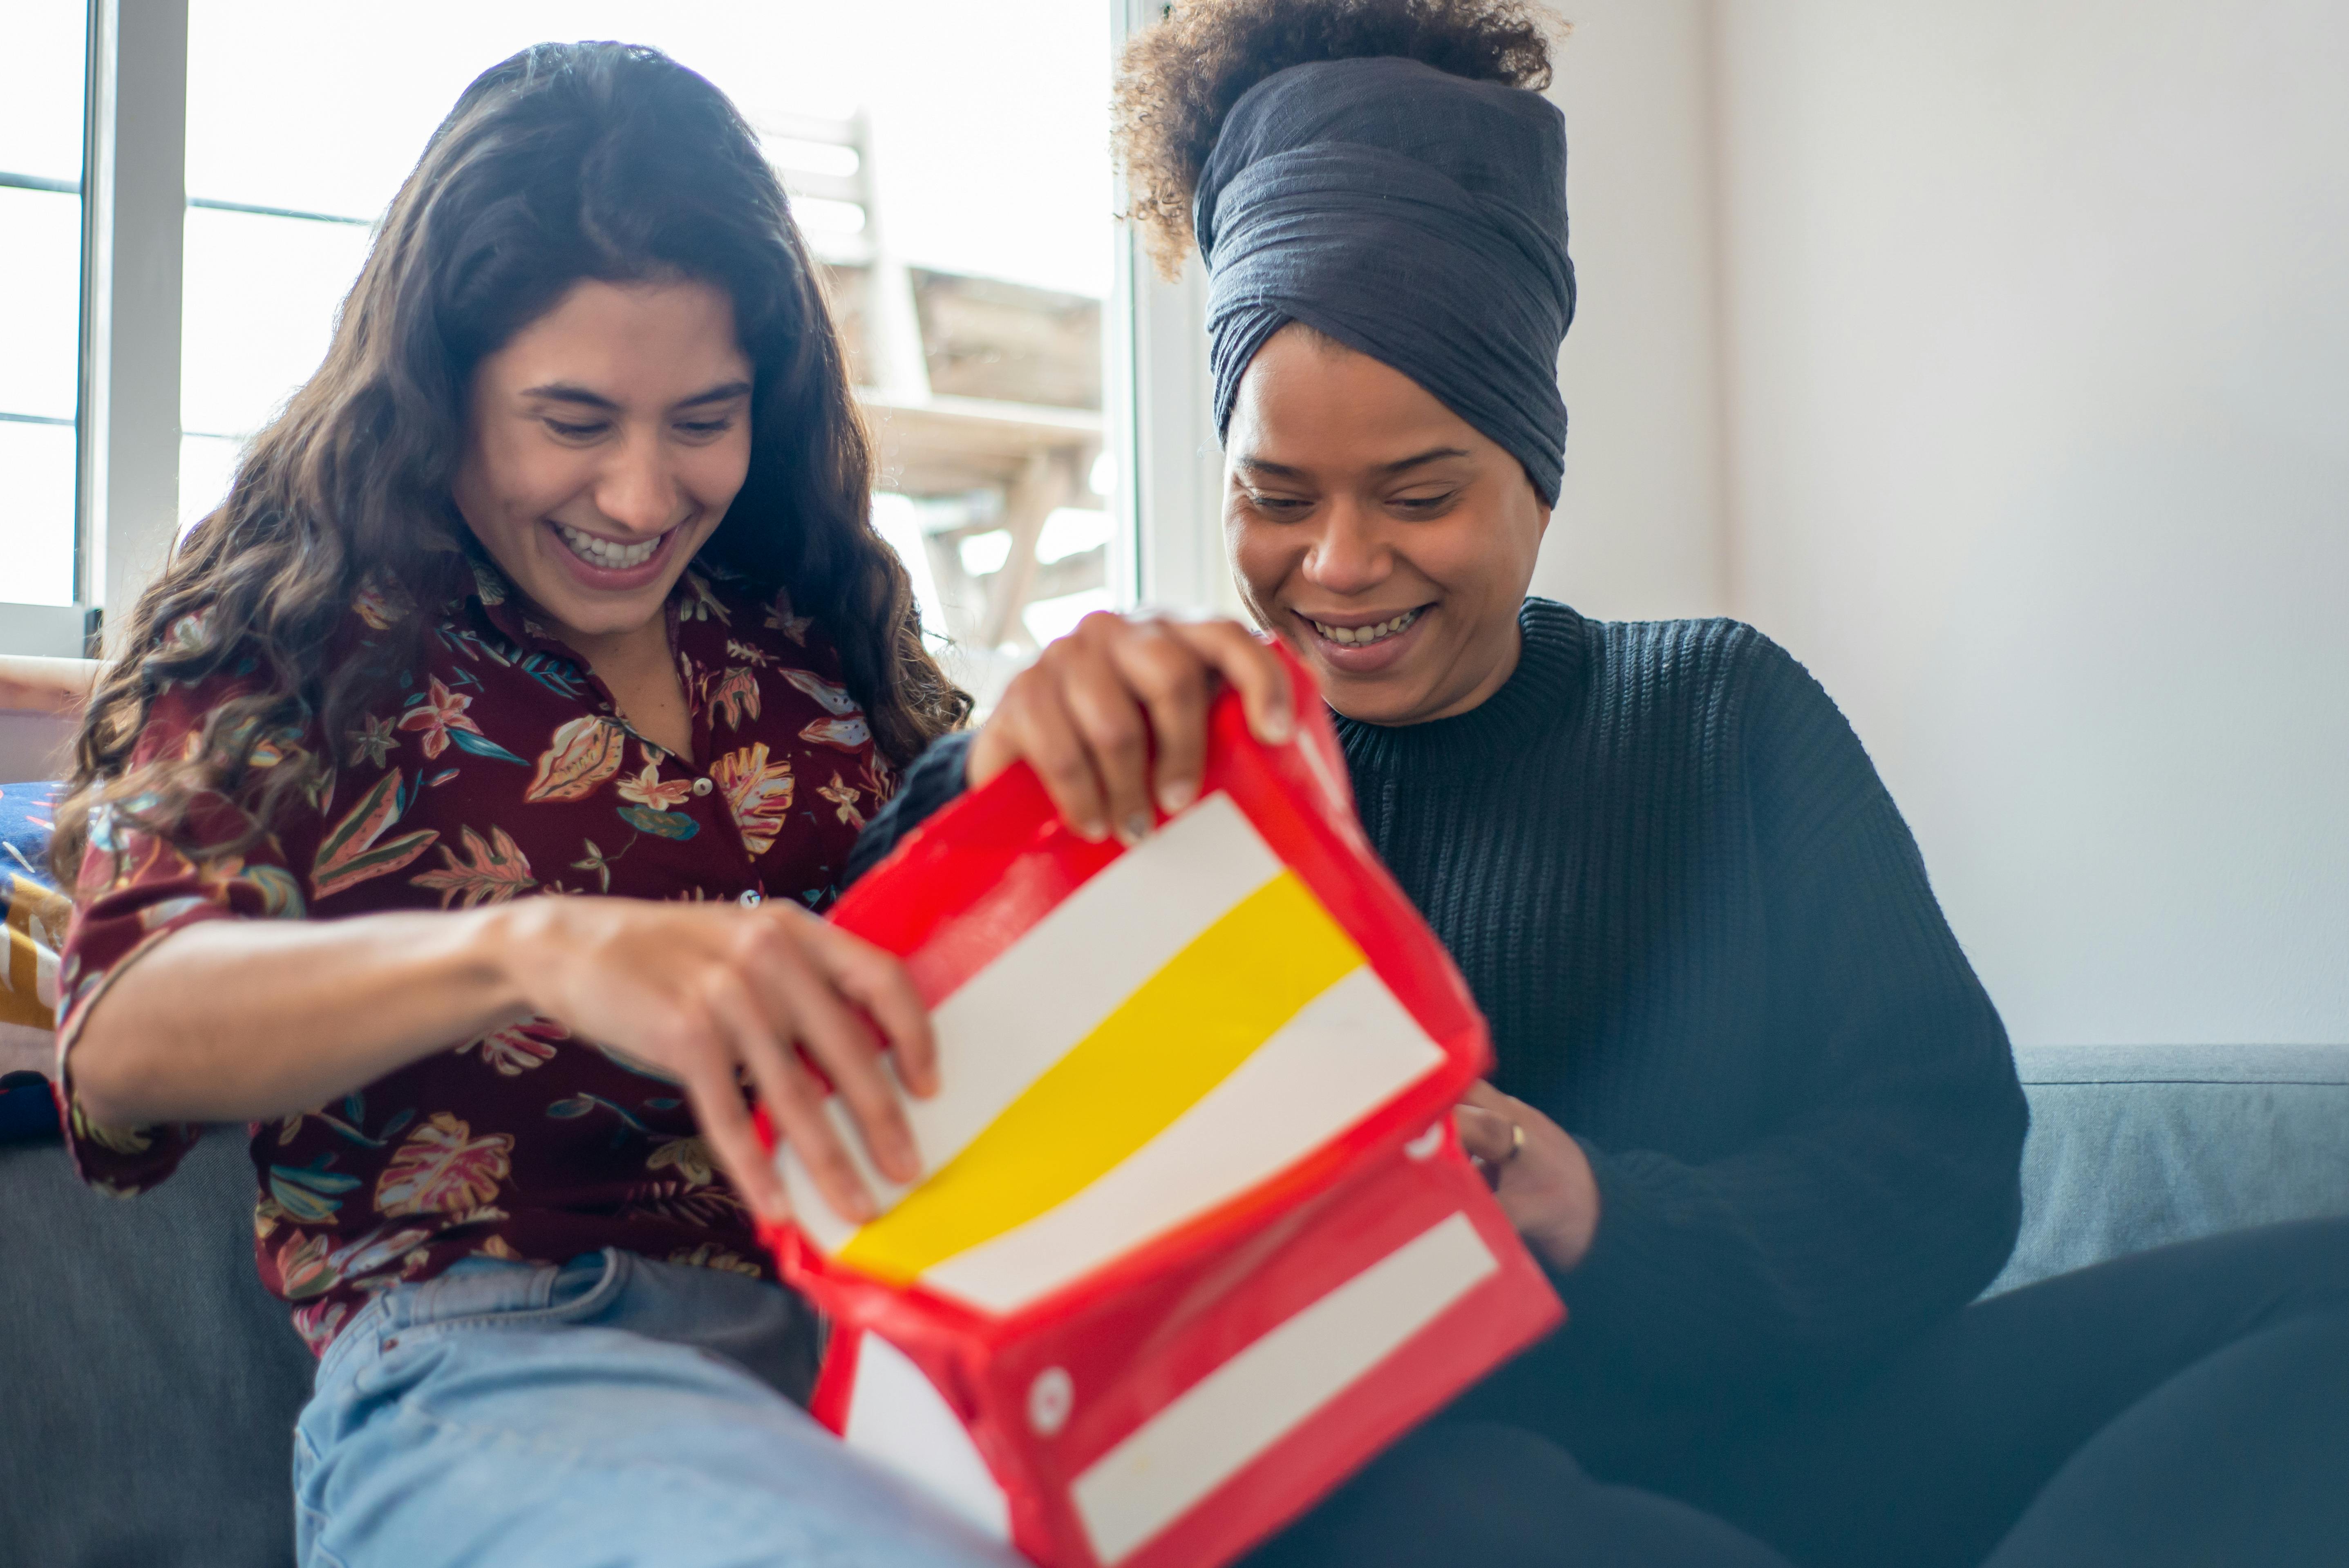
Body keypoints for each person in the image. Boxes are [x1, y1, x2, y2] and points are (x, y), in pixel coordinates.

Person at [849, 4, 2349, 1566]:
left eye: (1420, 494)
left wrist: (1588, 1204)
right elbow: (857, 1076)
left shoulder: (1715, 713)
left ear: (1535, 471)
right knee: (1458, 1502)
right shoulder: (1164, 773)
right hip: (1413, 1497)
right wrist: (988, 763)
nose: (1338, 565)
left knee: (2323, 1307)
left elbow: (1944, 1168)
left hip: (1801, 1449)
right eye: (1274, 500)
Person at [47, 42, 1085, 1568]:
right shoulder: (313, 616)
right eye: (576, 421)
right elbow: (121, 1035)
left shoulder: (799, 622)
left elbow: (960, 936)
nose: (645, 498)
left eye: (703, 420)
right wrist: (527, 949)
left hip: (899, 1339)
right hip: (501, 1365)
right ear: (440, 384)